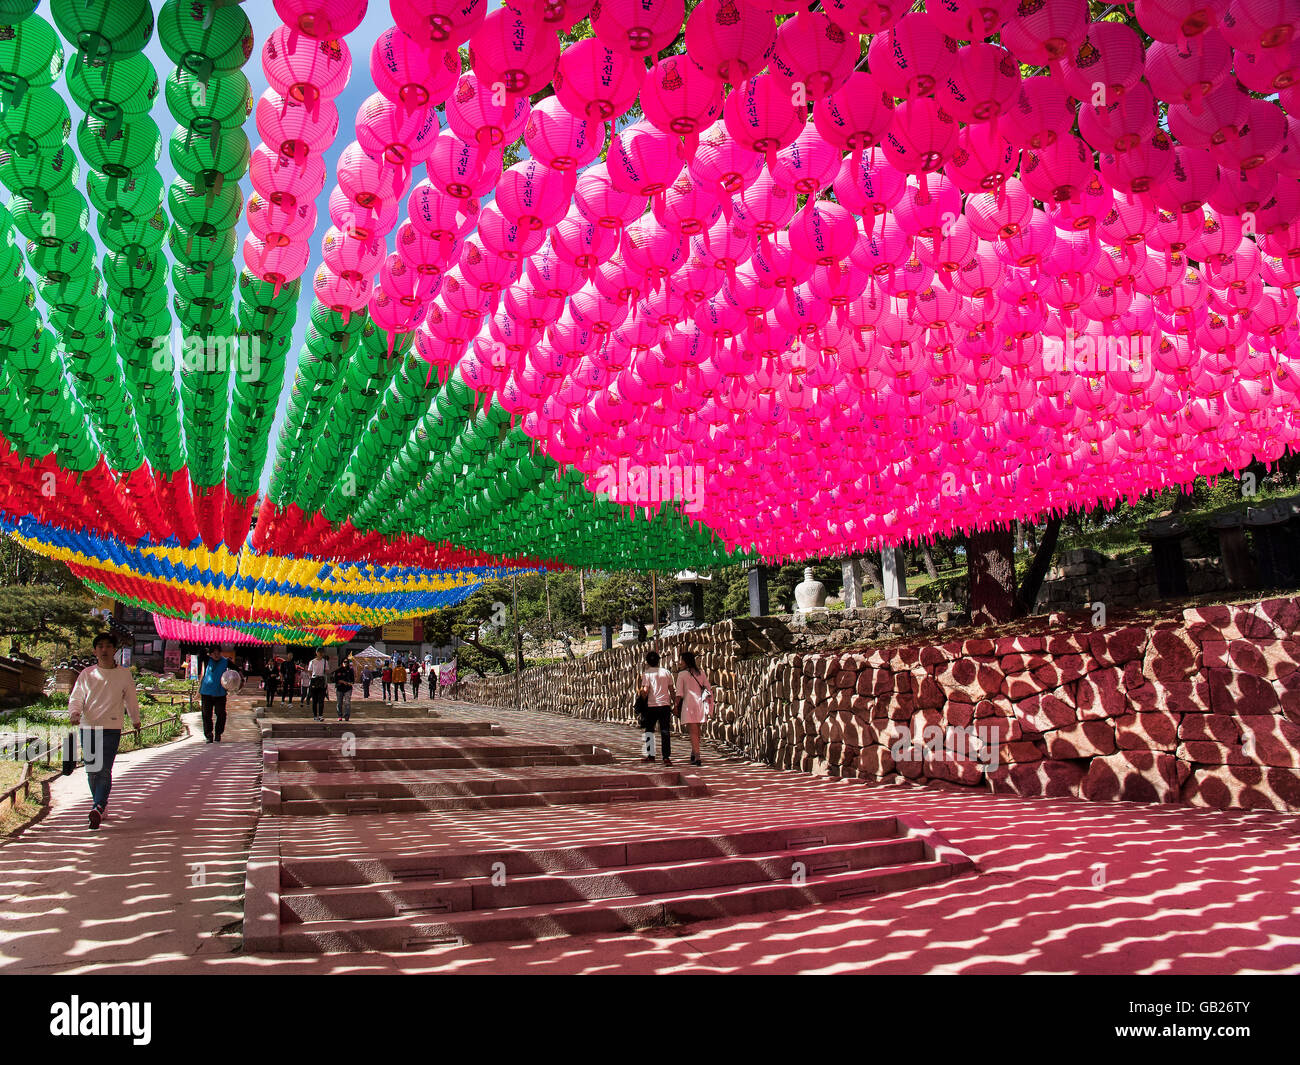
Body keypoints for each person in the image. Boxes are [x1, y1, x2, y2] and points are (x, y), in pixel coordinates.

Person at [68, 632, 141, 831]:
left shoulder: (124, 674)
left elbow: (131, 699)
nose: (104, 649)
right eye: (100, 646)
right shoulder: (87, 674)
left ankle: (98, 806)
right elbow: (77, 697)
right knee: (91, 770)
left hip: (111, 727)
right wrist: (74, 712)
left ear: (114, 650)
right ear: (95, 650)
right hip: (88, 725)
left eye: (108, 646)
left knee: (103, 769)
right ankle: (101, 805)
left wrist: (135, 720)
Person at [674, 649, 714, 767]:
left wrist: (676, 706)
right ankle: (694, 751)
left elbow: (679, 693)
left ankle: (697, 755)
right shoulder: (700, 672)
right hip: (700, 703)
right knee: (697, 730)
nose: (679, 662)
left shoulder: (682, 675)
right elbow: (707, 687)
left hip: (689, 705)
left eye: (681, 660)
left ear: (685, 661)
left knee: (693, 731)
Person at [637, 650, 675, 766]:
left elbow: (645, 691)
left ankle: (651, 756)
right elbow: (671, 690)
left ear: (647, 662)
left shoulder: (647, 674)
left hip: (652, 706)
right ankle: (666, 757)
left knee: (649, 730)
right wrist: (675, 703)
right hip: (665, 705)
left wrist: (640, 692)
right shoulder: (666, 672)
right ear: (659, 660)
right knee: (665, 731)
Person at [199, 645, 232, 743]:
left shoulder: (225, 661)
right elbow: (201, 653)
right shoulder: (207, 659)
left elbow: (236, 670)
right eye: (214, 653)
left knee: (221, 714)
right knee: (206, 714)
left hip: (220, 693)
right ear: (210, 653)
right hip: (206, 692)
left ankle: (218, 733)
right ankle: (209, 734)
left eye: (218, 652)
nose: (216, 655)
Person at [307, 647, 328, 721]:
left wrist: (325, 682)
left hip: (321, 680)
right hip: (314, 680)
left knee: (321, 700)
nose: (320, 654)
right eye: (319, 652)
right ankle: (315, 715)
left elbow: (326, 672)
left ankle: (321, 715)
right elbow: (309, 671)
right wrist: (312, 679)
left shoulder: (325, 661)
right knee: (314, 700)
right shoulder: (312, 661)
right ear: (316, 653)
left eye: (322, 652)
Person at [332, 655, 355, 722]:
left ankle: (347, 716)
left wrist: (349, 683)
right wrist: (342, 681)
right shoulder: (338, 670)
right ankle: (340, 715)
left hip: (348, 688)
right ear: (342, 662)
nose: (345, 663)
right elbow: (335, 680)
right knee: (339, 702)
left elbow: (352, 680)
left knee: (347, 702)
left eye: (347, 662)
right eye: (344, 662)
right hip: (340, 688)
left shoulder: (350, 670)